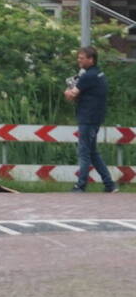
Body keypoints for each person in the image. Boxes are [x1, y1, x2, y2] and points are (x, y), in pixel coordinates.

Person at [64, 46, 118, 193]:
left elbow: (72, 95)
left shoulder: (88, 76)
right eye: (78, 57)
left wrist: (67, 91)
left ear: (91, 59)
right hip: (95, 117)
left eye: (82, 58)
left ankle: (80, 185)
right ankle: (109, 184)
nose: (79, 60)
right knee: (93, 152)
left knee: (84, 152)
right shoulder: (98, 73)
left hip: (87, 118)